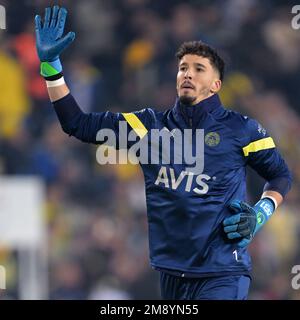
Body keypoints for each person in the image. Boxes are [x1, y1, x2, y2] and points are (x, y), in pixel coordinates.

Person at [34, 6, 292, 300]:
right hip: (170, 275)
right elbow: (76, 123)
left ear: (216, 85)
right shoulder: (147, 127)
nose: (187, 74)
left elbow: (280, 174)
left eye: (198, 69)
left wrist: (260, 213)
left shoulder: (242, 129)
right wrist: (52, 67)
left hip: (223, 273)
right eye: (183, 67)